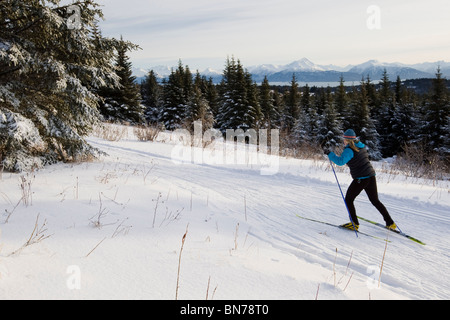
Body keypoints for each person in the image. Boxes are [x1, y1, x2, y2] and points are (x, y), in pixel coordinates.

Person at [327, 129, 396, 231]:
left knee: (349, 199)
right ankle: (390, 223)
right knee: (375, 200)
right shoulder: (361, 146)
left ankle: (354, 223)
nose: (343, 141)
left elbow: (340, 162)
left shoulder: (349, 150)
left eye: (344, 139)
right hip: (371, 176)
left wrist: (330, 154)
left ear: (347, 140)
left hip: (361, 178)